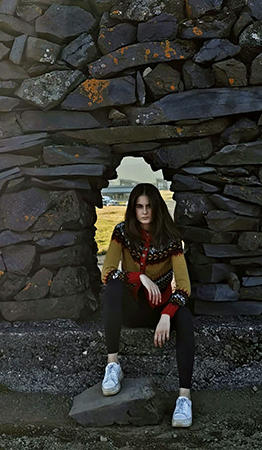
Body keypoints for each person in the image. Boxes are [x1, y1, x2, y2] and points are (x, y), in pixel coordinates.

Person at [100, 182, 195, 428]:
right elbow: (108, 272)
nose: (144, 211)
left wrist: (167, 314)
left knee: (184, 317)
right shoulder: (122, 233)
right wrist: (138, 277)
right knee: (113, 288)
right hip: (132, 309)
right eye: (139, 206)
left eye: (149, 206)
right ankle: (113, 365)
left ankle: (184, 399)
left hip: (159, 313)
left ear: (157, 208)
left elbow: (184, 287)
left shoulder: (172, 240)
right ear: (133, 209)